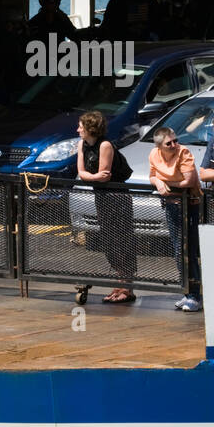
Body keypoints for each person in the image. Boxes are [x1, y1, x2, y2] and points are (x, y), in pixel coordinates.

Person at [75, 111, 137, 304]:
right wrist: (94, 178)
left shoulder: (105, 145)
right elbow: (81, 172)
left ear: (91, 129)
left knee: (122, 238)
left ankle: (127, 286)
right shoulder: (82, 145)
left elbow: (105, 175)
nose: (78, 130)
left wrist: (92, 177)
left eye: (81, 127)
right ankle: (118, 283)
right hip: (101, 197)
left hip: (117, 197)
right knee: (109, 239)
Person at [148, 126, 203, 312]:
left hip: (191, 204)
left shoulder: (183, 152)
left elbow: (189, 181)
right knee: (178, 249)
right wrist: (158, 181)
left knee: (189, 250)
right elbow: (152, 176)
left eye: (175, 140)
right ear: (159, 147)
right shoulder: (154, 154)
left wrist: (166, 183)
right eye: (168, 143)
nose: (174, 145)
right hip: (172, 205)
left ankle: (196, 295)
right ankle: (187, 292)